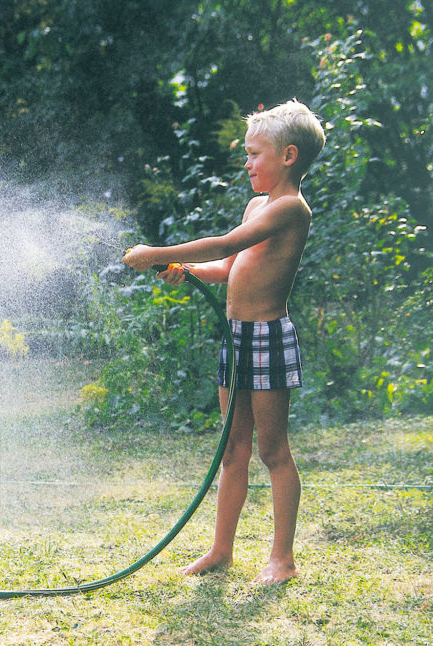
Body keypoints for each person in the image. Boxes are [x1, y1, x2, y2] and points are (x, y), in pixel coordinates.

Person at [123, 99, 325, 584]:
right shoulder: (258, 204)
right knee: (232, 450)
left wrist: (157, 252)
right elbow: (228, 268)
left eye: (256, 155)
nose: (248, 163)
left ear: (288, 157)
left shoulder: (291, 210)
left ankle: (282, 559)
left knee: (272, 451)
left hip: (268, 339)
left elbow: (226, 244)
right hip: (236, 340)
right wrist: (185, 270)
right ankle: (221, 551)